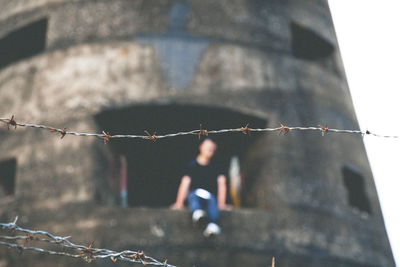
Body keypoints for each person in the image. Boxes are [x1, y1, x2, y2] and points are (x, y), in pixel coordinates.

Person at [170, 137, 231, 237]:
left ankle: (212, 225)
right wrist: (179, 202)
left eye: (212, 148)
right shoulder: (192, 165)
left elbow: (222, 184)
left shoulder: (217, 167)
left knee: (212, 202)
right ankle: (198, 214)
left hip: (209, 196)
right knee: (194, 197)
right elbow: (185, 184)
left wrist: (222, 204)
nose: (210, 150)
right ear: (201, 147)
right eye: (208, 147)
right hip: (195, 194)